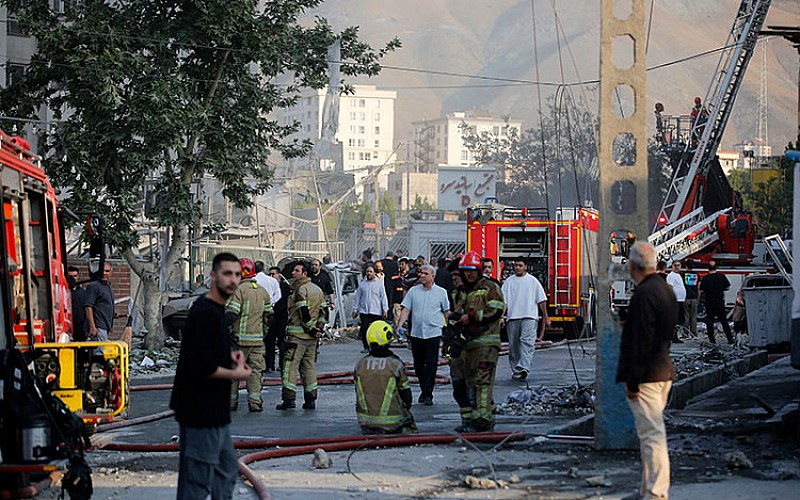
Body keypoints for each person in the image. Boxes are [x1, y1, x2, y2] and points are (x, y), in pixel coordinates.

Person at [170, 252, 252, 500]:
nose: (233, 280)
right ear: (213, 276)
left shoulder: (216, 311)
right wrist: (235, 373)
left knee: (226, 470)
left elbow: (212, 349)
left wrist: (232, 356)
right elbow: (201, 366)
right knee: (198, 480)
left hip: (215, 412)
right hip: (200, 411)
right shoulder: (205, 312)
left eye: (237, 275)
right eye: (227, 274)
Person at [616, 242, 677, 500]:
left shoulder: (642, 294)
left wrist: (633, 381)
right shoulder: (666, 290)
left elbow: (642, 341)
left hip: (648, 377)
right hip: (663, 371)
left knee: (652, 435)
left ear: (632, 265)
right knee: (649, 434)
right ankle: (647, 489)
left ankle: (656, 493)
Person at [447, 250, 505, 432]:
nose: (468, 274)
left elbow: (496, 311)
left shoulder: (489, 287)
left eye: (472, 270)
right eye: (465, 271)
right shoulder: (460, 292)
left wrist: (471, 317)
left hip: (485, 344)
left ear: (479, 270)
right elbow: (456, 316)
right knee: (462, 384)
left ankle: (483, 422)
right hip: (465, 345)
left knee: (482, 383)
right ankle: (469, 420)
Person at [395, 264, 450, 406]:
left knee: (431, 364)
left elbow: (446, 312)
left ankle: (427, 393)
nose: (422, 276)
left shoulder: (441, 292)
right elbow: (406, 309)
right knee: (419, 365)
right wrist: (400, 325)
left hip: (433, 332)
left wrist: (450, 329)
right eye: (421, 273)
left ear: (433, 276)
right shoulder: (414, 291)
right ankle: (423, 387)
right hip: (417, 333)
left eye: (426, 274)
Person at [277, 261, 326, 411]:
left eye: (296, 271)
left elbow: (303, 312)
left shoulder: (300, 290)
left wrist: (310, 328)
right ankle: (310, 399)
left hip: (297, 338)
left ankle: (289, 399)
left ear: (304, 274)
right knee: (309, 368)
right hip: (312, 339)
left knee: (289, 368)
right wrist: (319, 329)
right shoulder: (318, 290)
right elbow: (324, 313)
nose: (293, 273)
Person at [354, 320, 417, 435]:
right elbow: (407, 397)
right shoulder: (395, 364)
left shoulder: (360, 364)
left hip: (366, 423)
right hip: (393, 423)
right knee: (411, 428)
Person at [227, 258, 272, 412]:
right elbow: (270, 317)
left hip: (239, 341)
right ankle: (255, 403)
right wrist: (263, 332)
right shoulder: (262, 291)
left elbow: (231, 315)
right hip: (257, 341)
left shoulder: (238, 291)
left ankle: (231, 403)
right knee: (255, 372)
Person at [501, 258, 551, 381]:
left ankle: (524, 366)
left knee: (527, 342)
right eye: (515, 265)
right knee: (514, 346)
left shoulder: (533, 282)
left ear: (525, 267)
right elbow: (504, 302)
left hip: (529, 317)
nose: (517, 267)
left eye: (520, 265)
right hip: (513, 318)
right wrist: (501, 316)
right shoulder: (509, 282)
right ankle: (516, 370)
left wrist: (546, 317)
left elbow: (542, 301)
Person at [352, 264, 389, 352]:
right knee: (364, 329)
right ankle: (366, 347)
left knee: (376, 330)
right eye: (367, 272)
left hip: (376, 311)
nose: (368, 273)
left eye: (370, 272)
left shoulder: (379, 284)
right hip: (364, 311)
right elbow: (357, 297)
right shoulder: (362, 284)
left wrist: (385, 309)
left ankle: (376, 346)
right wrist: (355, 309)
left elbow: (383, 297)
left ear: (374, 273)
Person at [699, 260, 734, 344]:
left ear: (708, 268)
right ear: (716, 267)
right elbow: (727, 286)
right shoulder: (721, 276)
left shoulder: (706, 278)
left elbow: (701, 289)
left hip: (709, 303)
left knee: (709, 321)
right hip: (719, 302)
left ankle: (712, 339)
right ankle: (729, 338)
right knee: (724, 321)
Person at [267, 266, 292, 372]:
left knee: (282, 342)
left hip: (282, 317)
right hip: (271, 316)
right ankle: (269, 365)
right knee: (269, 342)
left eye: (273, 274)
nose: (272, 276)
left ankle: (282, 364)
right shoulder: (269, 286)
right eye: (270, 274)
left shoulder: (285, 286)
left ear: (279, 275)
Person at [85, 262, 115, 342]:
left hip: (105, 326)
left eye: (107, 271)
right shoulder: (94, 286)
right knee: (99, 353)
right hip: (98, 326)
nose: (104, 273)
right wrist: (92, 327)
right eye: (102, 271)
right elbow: (88, 307)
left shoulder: (108, 287)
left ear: (111, 272)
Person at [666, 261, 687, 344]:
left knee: (680, 319)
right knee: (676, 319)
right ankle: (673, 336)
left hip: (680, 300)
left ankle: (673, 335)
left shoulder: (678, 275)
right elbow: (670, 287)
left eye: (678, 265)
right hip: (675, 300)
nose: (677, 267)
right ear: (672, 266)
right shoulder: (671, 276)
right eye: (675, 265)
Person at [67, 267, 88, 341]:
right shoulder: (64, 292)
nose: (73, 279)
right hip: (67, 327)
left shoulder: (83, 293)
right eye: (70, 276)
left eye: (75, 276)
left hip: (80, 328)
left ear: (78, 276)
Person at [683, 261, 700, 338]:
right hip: (694, 298)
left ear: (686, 266)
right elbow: (699, 287)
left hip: (685, 298)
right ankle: (694, 333)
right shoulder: (697, 275)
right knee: (693, 317)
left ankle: (685, 333)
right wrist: (698, 298)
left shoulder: (682, 275)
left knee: (686, 316)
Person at [381, 252, 399, 321]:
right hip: (391, 285)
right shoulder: (395, 264)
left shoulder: (381, 262)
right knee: (389, 302)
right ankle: (389, 316)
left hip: (382, 284)